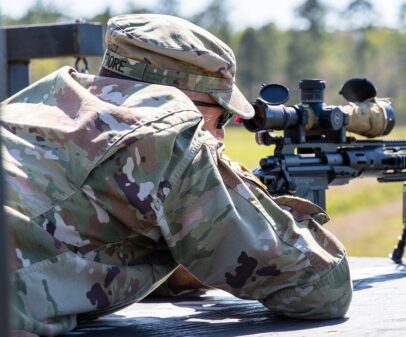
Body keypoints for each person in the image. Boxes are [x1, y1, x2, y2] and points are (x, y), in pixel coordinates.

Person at [4, 14, 352, 337]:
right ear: (186, 99)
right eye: (222, 119)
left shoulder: (34, 105)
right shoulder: (168, 132)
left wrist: (180, 260)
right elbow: (320, 287)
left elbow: (69, 241)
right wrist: (257, 204)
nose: (221, 137)